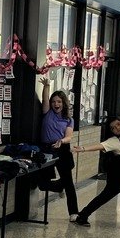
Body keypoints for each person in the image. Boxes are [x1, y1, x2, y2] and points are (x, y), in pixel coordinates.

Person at [39, 77, 80, 220]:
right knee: (42, 185)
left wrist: (61, 141)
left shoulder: (69, 119)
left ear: (63, 103)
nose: (56, 104)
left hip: (62, 148)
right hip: (46, 149)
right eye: (54, 101)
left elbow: (69, 137)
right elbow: (44, 100)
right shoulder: (47, 113)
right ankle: (58, 187)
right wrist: (47, 86)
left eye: (59, 101)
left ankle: (74, 213)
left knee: (68, 183)